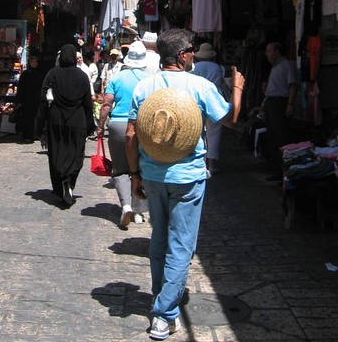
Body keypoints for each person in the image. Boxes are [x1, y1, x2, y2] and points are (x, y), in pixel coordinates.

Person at [125, 28, 245, 340]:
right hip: (188, 178)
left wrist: (135, 175)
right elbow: (230, 119)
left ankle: (159, 297)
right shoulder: (201, 86)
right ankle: (164, 315)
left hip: (152, 175)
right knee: (181, 245)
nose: (194, 53)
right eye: (191, 49)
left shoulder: (144, 87)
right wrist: (238, 89)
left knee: (159, 240)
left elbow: (130, 135)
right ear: (182, 55)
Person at [96, 40, 149, 228]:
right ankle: (139, 212)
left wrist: (101, 126)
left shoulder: (118, 77)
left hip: (118, 124)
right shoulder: (150, 79)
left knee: (120, 169)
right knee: (141, 167)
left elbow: (106, 104)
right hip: (142, 125)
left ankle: (126, 205)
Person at [39, 44, 95, 206]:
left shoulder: (52, 74)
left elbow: (43, 97)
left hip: (56, 118)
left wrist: (41, 121)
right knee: (76, 151)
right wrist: (90, 124)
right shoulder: (82, 76)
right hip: (77, 119)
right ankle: (69, 181)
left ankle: (60, 186)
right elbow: (87, 104)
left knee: (57, 151)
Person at [263, 42, 298, 181]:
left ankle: (285, 171)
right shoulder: (274, 67)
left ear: (277, 51)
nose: (266, 54)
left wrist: (290, 104)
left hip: (280, 103)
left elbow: (292, 86)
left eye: (269, 51)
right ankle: (277, 170)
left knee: (281, 136)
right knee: (272, 137)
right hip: (271, 102)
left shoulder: (286, 65)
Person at [193, 42, 228, 175]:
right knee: (214, 134)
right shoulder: (219, 68)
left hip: (198, 99)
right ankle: (212, 164)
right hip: (215, 100)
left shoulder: (194, 67)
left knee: (198, 132)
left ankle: (200, 163)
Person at [15, 53, 45, 143]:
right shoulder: (25, 74)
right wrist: (19, 100)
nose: (34, 63)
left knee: (38, 117)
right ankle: (28, 134)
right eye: (32, 62)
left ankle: (37, 134)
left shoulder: (41, 73)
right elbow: (21, 87)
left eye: (35, 61)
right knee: (28, 118)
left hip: (37, 99)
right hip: (27, 100)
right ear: (29, 63)